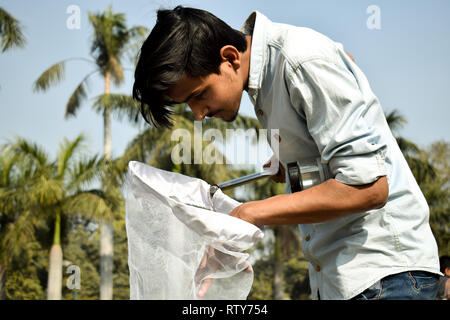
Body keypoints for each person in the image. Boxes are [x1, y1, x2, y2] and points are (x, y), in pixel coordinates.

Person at [132, 6, 441, 300]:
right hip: (346, 280)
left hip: (386, 275)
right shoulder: (267, 74)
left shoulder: (299, 59)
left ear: (229, 58)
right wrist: (300, 157)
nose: (198, 114)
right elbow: (344, 67)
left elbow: (370, 188)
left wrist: (251, 212)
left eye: (198, 95)